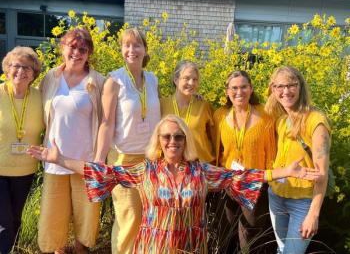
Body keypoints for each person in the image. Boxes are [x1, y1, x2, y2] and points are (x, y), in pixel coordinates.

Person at [28, 114, 321, 254]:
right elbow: (103, 171)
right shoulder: (145, 170)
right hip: (153, 247)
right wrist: (61, 158)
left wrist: (283, 170)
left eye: (178, 137)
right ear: (159, 140)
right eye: (166, 137)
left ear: (185, 140)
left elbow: (239, 178)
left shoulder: (201, 171)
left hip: (192, 246)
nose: (172, 142)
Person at [94, 28, 160, 253]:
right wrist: (99, 161)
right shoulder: (114, 80)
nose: (132, 50)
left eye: (137, 45)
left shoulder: (153, 79)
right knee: (128, 217)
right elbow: (106, 122)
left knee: (149, 217)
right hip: (123, 158)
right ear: (122, 49)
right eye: (127, 45)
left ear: (145, 49)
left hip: (151, 160)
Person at [39, 27, 104, 254]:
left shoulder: (98, 81)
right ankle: (57, 250)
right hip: (54, 159)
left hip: (83, 161)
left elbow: (109, 118)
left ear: (89, 54)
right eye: (72, 47)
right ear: (62, 48)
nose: (76, 53)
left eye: (83, 49)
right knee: (53, 215)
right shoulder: (50, 78)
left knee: (86, 214)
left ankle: (80, 250)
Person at [265, 66, 331, 254]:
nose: (285, 91)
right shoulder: (281, 118)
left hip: (302, 202)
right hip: (276, 196)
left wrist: (313, 214)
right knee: (282, 248)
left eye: (291, 85)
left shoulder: (315, 122)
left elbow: (322, 174)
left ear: (300, 86)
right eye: (279, 86)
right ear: (273, 89)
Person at [212, 70, 276, 253]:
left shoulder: (265, 115)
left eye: (243, 87)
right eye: (234, 88)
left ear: (251, 88)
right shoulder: (220, 116)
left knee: (250, 238)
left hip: (254, 185)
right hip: (228, 183)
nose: (239, 92)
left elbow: (271, 152)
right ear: (227, 91)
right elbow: (218, 151)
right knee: (225, 234)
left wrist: (269, 183)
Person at [0, 46, 44, 253]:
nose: (21, 71)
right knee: (5, 221)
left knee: (15, 220)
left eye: (28, 67)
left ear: (34, 74)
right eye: (16, 66)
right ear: (8, 69)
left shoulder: (40, 98)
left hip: (25, 170)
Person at [160, 60, 215, 163]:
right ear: (176, 79)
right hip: (173, 168)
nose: (191, 83)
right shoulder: (162, 105)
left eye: (195, 79)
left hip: (201, 167)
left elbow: (214, 138)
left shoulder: (203, 105)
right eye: (186, 78)